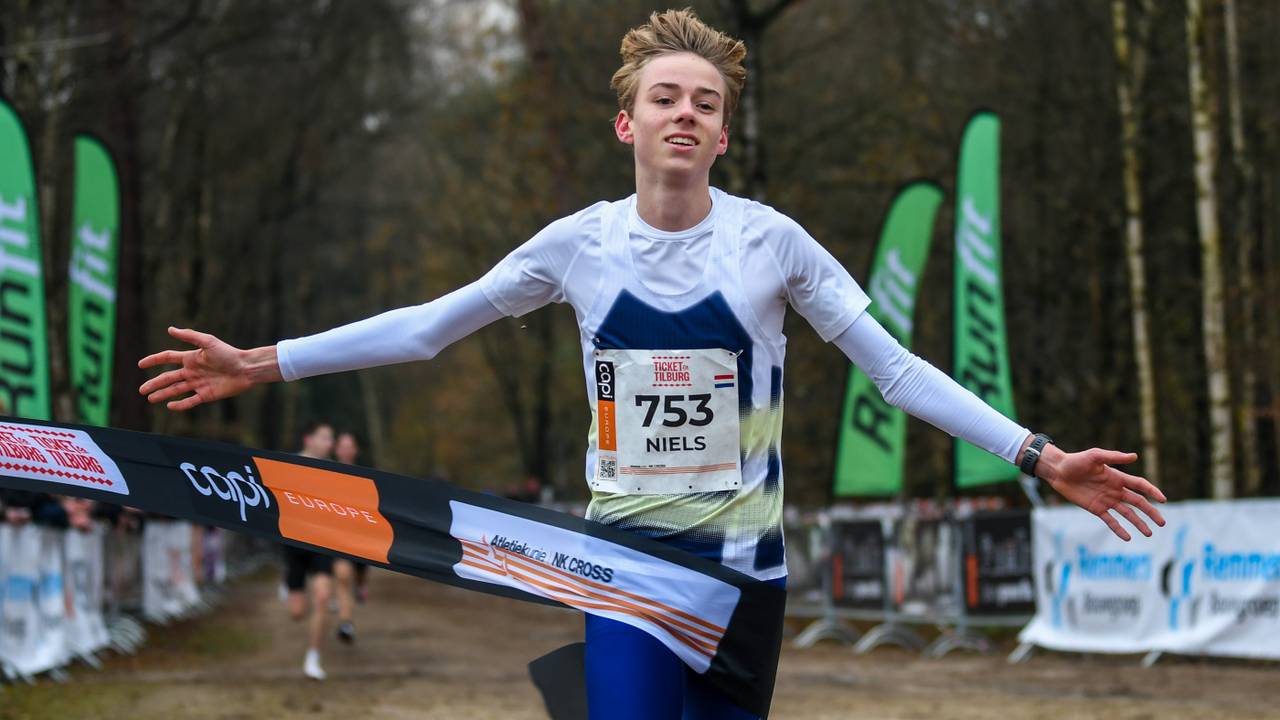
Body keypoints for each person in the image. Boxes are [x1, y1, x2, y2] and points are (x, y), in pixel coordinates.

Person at [138, 9, 1166, 718]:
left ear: (721, 135)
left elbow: (893, 371)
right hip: (626, 571)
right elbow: (427, 327)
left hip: (744, 580)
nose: (685, 113)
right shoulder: (576, 247)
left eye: (705, 103)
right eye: (666, 97)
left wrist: (1036, 456)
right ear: (628, 123)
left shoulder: (772, 244)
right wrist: (260, 364)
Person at [283, 420, 337, 680]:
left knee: (323, 598)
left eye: (331, 439)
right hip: (293, 545)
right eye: (325, 438)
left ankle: (313, 657)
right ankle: (289, 591)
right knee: (297, 613)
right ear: (309, 439)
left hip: (321, 544)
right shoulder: (288, 465)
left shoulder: (335, 472)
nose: (330, 444)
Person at [332, 431, 369, 624]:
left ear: (355, 450)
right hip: (336, 534)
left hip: (359, 533)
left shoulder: (365, 474)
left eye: (350, 446)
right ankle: (346, 621)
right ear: (336, 449)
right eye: (343, 446)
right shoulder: (326, 472)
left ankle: (361, 585)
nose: (346, 450)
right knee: (343, 574)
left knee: (360, 570)